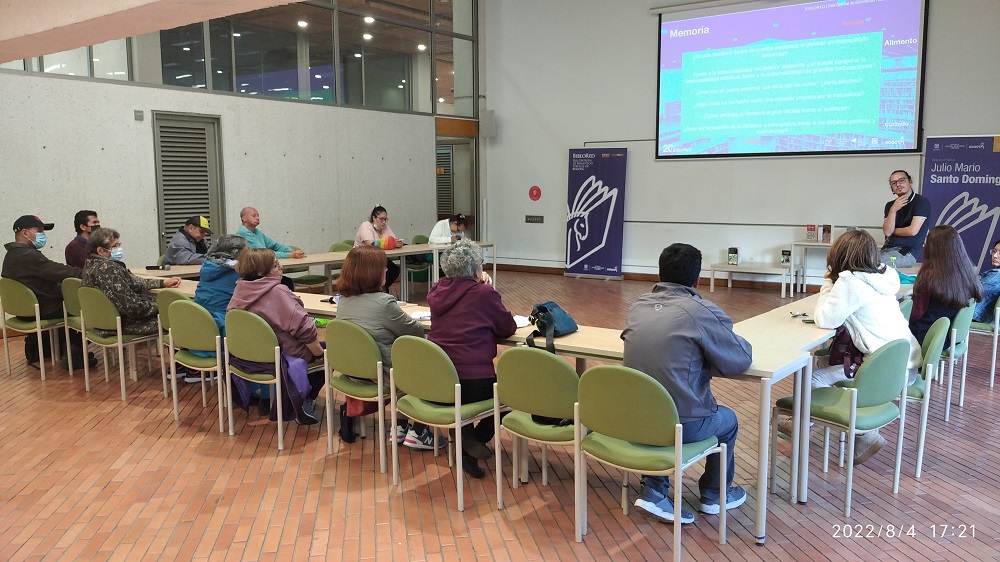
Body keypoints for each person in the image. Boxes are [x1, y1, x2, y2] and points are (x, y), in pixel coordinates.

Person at [621, 242, 752, 524]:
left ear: (660, 273)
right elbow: (739, 360)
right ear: (697, 280)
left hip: (632, 420)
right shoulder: (700, 311)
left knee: (656, 401)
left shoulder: (637, 307)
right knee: (727, 420)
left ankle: (654, 490)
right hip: (681, 425)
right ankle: (715, 494)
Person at [810, 229, 922, 464]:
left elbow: (824, 319)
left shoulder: (850, 282)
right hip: (903, 364)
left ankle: (803, 423)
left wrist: (826, 283)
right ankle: (858, 434)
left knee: (814, 379)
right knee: (817, 362)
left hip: (882, 373)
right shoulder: (882, 276)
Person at [426, 239, 517, 478]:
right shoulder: (484, 293)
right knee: (510, 397)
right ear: (477, 269)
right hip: (475, 381)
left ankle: (464, 437)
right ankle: (473, 441)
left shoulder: (436, 292)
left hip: (440, 380)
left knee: (459, 396)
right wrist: (488, 286)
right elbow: (507, 327)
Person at [334, 245, 430, 447]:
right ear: (372, 272)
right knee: (423, 361)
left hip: (354, 371)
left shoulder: (343, 302)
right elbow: (416, 332)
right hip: (382, 374)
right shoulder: (384, 303)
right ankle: (419, 430)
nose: (387, 270)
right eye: (383, 267)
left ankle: (401, 425)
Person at [227, 248, 324, 425]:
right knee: (328, 354)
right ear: (260, 272)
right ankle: (302, 401)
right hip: (281, 356)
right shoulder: (277, 292)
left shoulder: (240, 289)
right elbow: (304, 329)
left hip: (247, 356)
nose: (281, 269)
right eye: (276, 265)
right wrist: (318, 354)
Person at [2, 214, 91, 368]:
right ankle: (75, 351)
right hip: (45, 308)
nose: (43, 235)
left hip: (26, 310)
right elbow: (59, 271)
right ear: (25, 233)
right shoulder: (27, 255)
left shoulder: (11, 255)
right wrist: (92, 273)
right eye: (39, 230)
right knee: (88, 303)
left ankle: (71, 349)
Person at [82, 228, 182, 336]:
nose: (119, 248)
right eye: (115, 246)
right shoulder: (108, 269)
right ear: (100, 251)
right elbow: (131, 307)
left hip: (103, 323)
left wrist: (162, 283)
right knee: (178, 318)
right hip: (123, 325)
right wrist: (162, 305)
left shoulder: (90, 265)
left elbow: (134, 282)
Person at [909, 226, 983, 344]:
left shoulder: (928, 276)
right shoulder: (967, 272)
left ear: (930, 248)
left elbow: (915, 314)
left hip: (925, 336)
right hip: (949, 338)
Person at [189, 234, 246, 385]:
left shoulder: (207, 266)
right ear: (236, 251)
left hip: (198, 334)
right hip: (222, 334)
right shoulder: (236, 272)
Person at [881, 170, 931, 267]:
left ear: (910, 182)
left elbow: (912, 231)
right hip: (887, 249)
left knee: (873, 265)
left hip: (907, 252)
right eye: (894, 183)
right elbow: (887, 232)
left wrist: (893, 230)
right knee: (858, 261)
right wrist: (893, 210)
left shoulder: (921, 202)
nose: (898, 185)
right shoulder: (890, 205)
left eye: (902, 180)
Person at [354, 205, 405, 293]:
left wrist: (397, 243)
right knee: (381, 270)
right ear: (374, 217)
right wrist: (390, 243)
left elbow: (393, 239)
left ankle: (381, 289)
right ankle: (379, 290)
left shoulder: (385, 227)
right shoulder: (365, 226)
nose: (384, 222)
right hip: (362, 258)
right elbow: (372, 244)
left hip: (378, 258)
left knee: (393, 269)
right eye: (381, 219)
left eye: (385, 219)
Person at [236, 207, 306, 259]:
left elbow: (274, 246)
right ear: (244, 218)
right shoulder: (243, 232)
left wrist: (293, 251)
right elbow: (263, 253)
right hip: (252, 272)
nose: (257, 218)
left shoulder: (256, 231)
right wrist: (290, 255)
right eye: (254, 216)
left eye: (258, 215)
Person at [974, 239, 1000, 324]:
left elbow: (974, 290)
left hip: (975, 317)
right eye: (994, 251)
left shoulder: (998, 275)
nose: (995, 256)